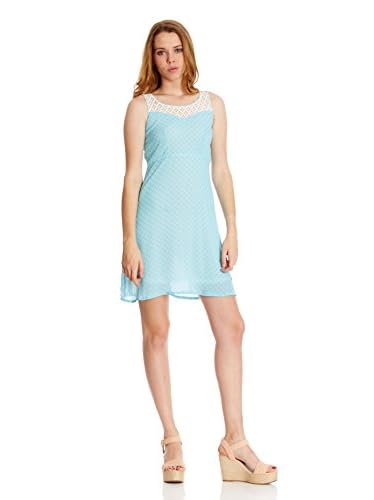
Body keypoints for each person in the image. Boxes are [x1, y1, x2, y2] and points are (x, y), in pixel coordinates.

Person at [120, 19, 277, 484]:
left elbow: (221, 170)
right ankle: (171, 438)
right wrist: (128, 239)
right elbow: (132, 176)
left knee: (232, 326)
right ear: (152, 59)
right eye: (161, 52)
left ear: (188, 53)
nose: (170, 59)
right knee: (157, 332)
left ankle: (235, 442)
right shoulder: (141, 107)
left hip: (202, 231)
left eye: (176, 50)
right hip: (154, 227)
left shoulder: (213, 105)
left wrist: (233, 229)